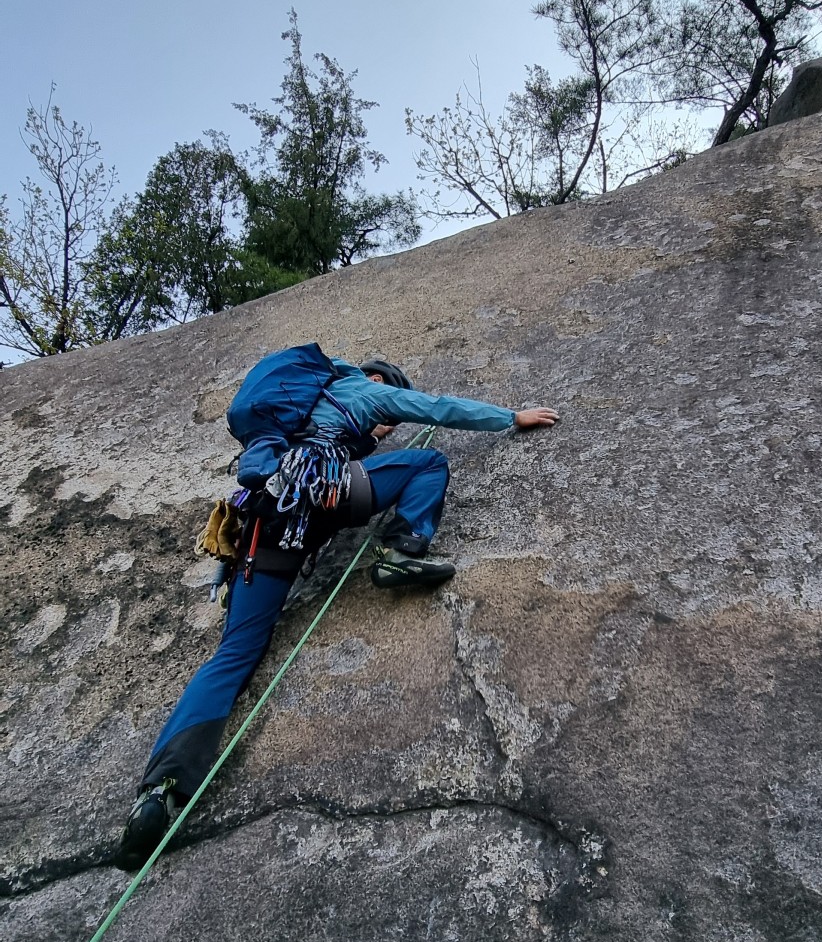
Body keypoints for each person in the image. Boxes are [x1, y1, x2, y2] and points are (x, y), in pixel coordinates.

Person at [117, 354, 558, 867]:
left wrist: (366, 441)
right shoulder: (363, 390)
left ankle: (159, 791)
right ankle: (399, 554)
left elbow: (327, 445)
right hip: (325, 494)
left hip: (264, 531)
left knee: (233, 655)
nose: (384, 424)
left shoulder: (296, 412)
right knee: (429, 464)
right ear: (376, 381)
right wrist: (509, 417)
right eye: (384, 410)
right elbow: (434, 408)